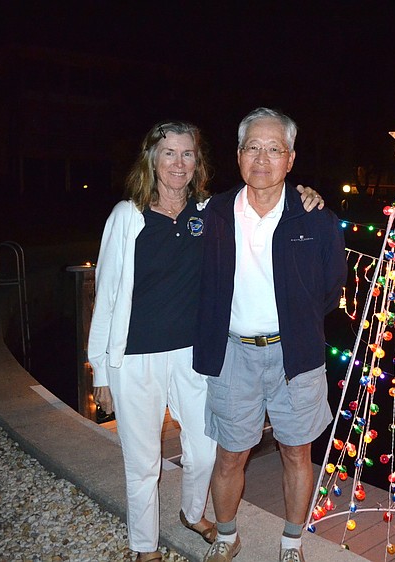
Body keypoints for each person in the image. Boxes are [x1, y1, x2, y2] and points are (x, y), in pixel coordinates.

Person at [87, 120, 325, 562]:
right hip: (135, 360)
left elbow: (268, 196)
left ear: (199, 162)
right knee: (143, 463)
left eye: (188, 154)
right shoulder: (128, 215)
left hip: (194, 354)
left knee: (204, 450)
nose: (178, 163)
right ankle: (144, 547)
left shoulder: (208, 212)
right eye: (169, 153)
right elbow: (107, 294)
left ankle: (191, 512)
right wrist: (100, 369)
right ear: (152, 159)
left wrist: (303, 194)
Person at [193, 108, 347, 562]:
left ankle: (292, 542)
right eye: (252, 148)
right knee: (230, 455)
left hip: (295, 357)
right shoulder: (212, 214)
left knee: (297, 453)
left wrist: (296, 326)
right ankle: (226, 536)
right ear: (239, 155)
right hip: (231, 355)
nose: (263, 158)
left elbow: (330, 289)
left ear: (291, 159)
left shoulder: (316, 219)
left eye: (274, 149)